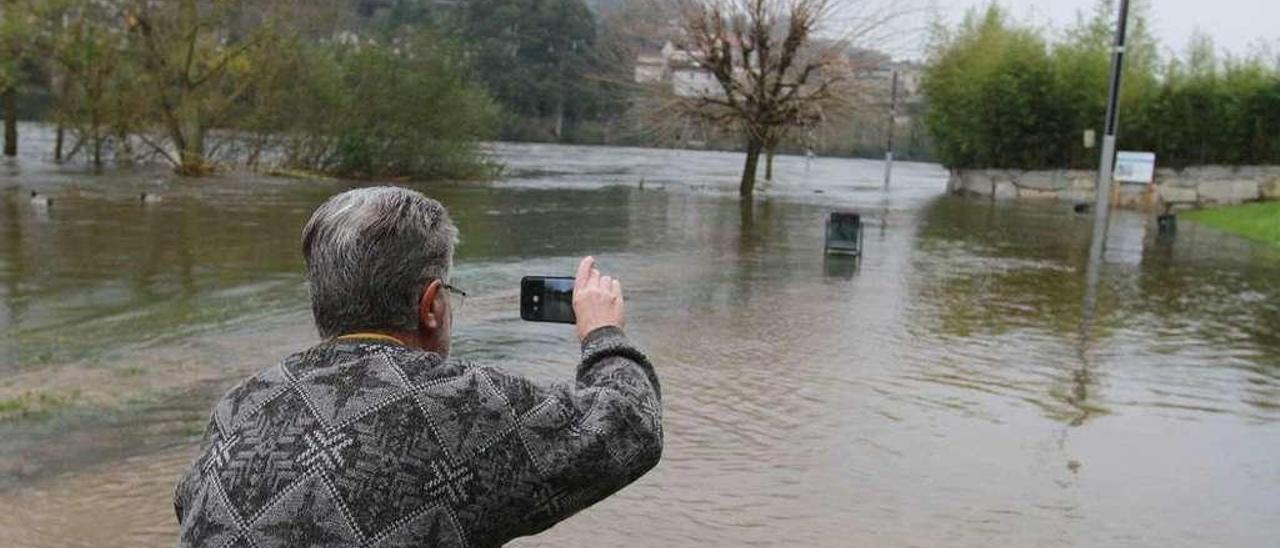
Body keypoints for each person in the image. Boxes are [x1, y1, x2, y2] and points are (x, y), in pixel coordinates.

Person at [174, 187, 663, 547]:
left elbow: (188, 504)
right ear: (431, 306)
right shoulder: (461, 404)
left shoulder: (239, 404)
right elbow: (631, 424)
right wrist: (602, 331)